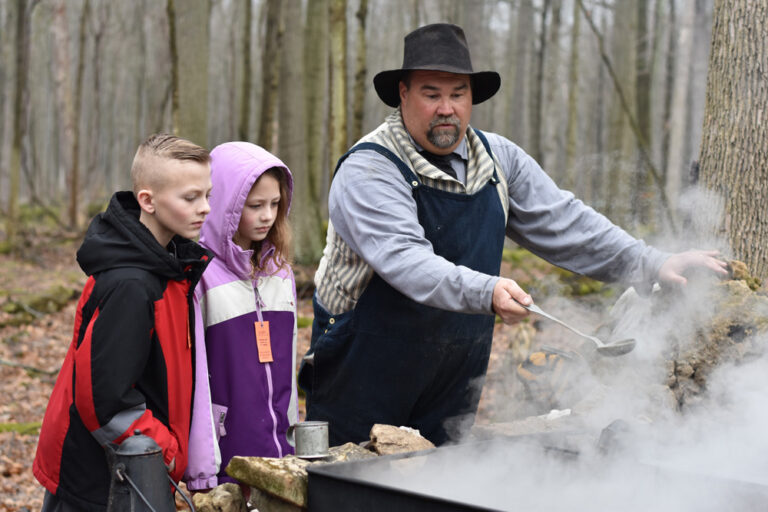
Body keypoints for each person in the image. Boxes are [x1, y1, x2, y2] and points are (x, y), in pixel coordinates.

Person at [298, 23, 728, 447]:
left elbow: (567, 223)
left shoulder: (498, 160)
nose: (446, 108)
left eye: (458, 94)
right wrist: (488, 290)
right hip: (359, 382)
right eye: (431, 94)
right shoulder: (369, 169)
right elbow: (406, 261)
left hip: (451, 384)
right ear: (403, 94)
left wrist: (651, 261)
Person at [33, 134, 213, 511]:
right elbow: (105, 400)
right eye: (190, 198)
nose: (206, 208)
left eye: (207, 195)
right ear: (147, 201)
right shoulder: (131, 285)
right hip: (102, 479)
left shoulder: (168, 269)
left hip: (131, 470)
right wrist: (164, 450)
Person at [186, 142, 299, 488]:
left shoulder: (281, 273)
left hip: (279, 449)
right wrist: (203, 467)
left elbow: (289, 369)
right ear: (225, 205)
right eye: (255, 206)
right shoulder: (201, 277)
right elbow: (196, 377)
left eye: (275, 204)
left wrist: (293, 441)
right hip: (227, 451)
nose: (268, 215)